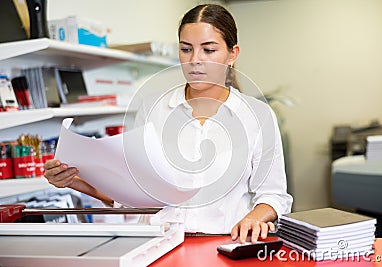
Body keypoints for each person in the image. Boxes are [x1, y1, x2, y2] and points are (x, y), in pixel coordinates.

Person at [43, 4, 292, 244]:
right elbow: (132, 195)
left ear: (232, 54)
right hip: (158, 245)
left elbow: (274, 195)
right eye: (186, 49)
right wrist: (73, 180)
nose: (195, 60)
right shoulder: (153, 109)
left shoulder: (258, 115)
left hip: (224, 246)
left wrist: (253, 219)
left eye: (208, 50)